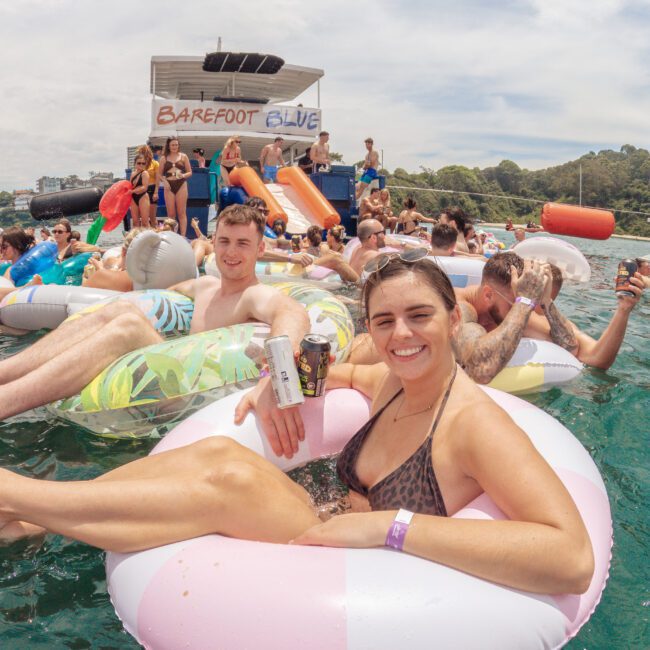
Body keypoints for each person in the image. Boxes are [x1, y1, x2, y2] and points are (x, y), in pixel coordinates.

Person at [0, 256, 594, 598]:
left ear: (452, 317)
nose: (400, 336)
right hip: (328, 523)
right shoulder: (391, 384)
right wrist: (271, 387)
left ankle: (13, 491)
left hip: (372, 566)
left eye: (419, 316)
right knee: (213, 449)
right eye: (384, 321)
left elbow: (570, 557)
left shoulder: (473, 423)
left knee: (231, 475)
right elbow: (324, 373)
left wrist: (392, 528)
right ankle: (28, 522)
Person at [0, 205, 310, 449]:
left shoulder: (253, 295)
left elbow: (292, 311)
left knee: (131, 325)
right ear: (213, 244)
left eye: (243, 243)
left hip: (195, 402)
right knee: (124, 308)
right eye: (225, 241)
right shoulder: (204, 286)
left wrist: (276, 378)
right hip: (173, 385)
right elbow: (152, 296)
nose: (231, 252)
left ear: (259, 249)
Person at [452, 252, 646, 382]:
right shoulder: (459, 307)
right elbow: (479, 369)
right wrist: (524, 301)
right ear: (487, 294)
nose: (523, 308)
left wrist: (624, 309)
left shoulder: (513, 309)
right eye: (517, 301)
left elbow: (580, 351)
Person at [157, 137, 191, 237]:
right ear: (168, 146)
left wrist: (183, 175)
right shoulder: (163, 158)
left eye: (176, 145)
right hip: (169, 186)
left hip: (181, 185)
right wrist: (164, 182)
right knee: (171, 214)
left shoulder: (184, 156)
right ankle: (172, 236)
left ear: (178, 145)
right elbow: (158, 174)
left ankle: (183, 236)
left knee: (182, 213)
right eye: (172, 145)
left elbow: (190, 172)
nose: (174, 147)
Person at [138, 144, 158, 228]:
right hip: (141, 189)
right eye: (141, 153)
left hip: (152, 189)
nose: (142, 154)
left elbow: (158, 179)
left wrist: (156, 192)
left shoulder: (155, 163)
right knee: (142, 216)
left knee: (152, 216)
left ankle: (155, 234)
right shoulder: (140, 163)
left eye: (144, 152)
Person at [129, 154, 150, 229]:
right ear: (135, 164)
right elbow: (129, 186)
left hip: (143, 196)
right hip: (133, 198)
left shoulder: (145, 173)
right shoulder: (132, 174)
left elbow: (144, 187)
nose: (141, 165)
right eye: (139, 163)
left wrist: (132, 191)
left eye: (143, 163)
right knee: (135, 222)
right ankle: (136, 238)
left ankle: (148, 239)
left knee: (145, 222)